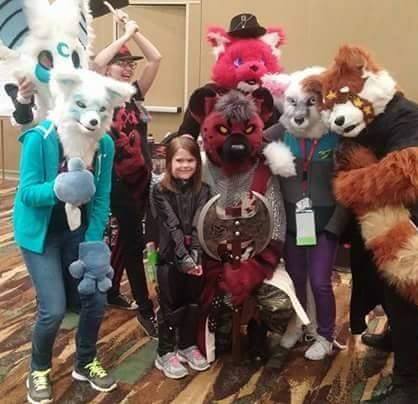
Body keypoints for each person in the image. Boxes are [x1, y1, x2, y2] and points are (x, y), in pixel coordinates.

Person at [94, 9, 162, 337]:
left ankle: (111, 292)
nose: (127, 68)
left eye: (129, 64)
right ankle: (145, 309)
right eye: (120, 63)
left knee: (129, 240)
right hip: (115, 181)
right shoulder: (97, 95)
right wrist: (123, 35)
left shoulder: (133, 93)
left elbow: (156, 58)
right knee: (133, 242)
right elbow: (96, 63)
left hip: (141, 179)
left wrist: (134, 31)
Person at [151, 136, 211, 379]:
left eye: (190, 160)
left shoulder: (204, 190)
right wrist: (183, 258)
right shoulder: (160, 190)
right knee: (169, 304)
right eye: (179, 160)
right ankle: (165, 351)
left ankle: (187, 344)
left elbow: (200, 222)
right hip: (169, 255)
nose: (185, 165)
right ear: (169, 162)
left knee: (192, 302)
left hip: (195, 256)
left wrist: (195, 255)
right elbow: (170, 225)